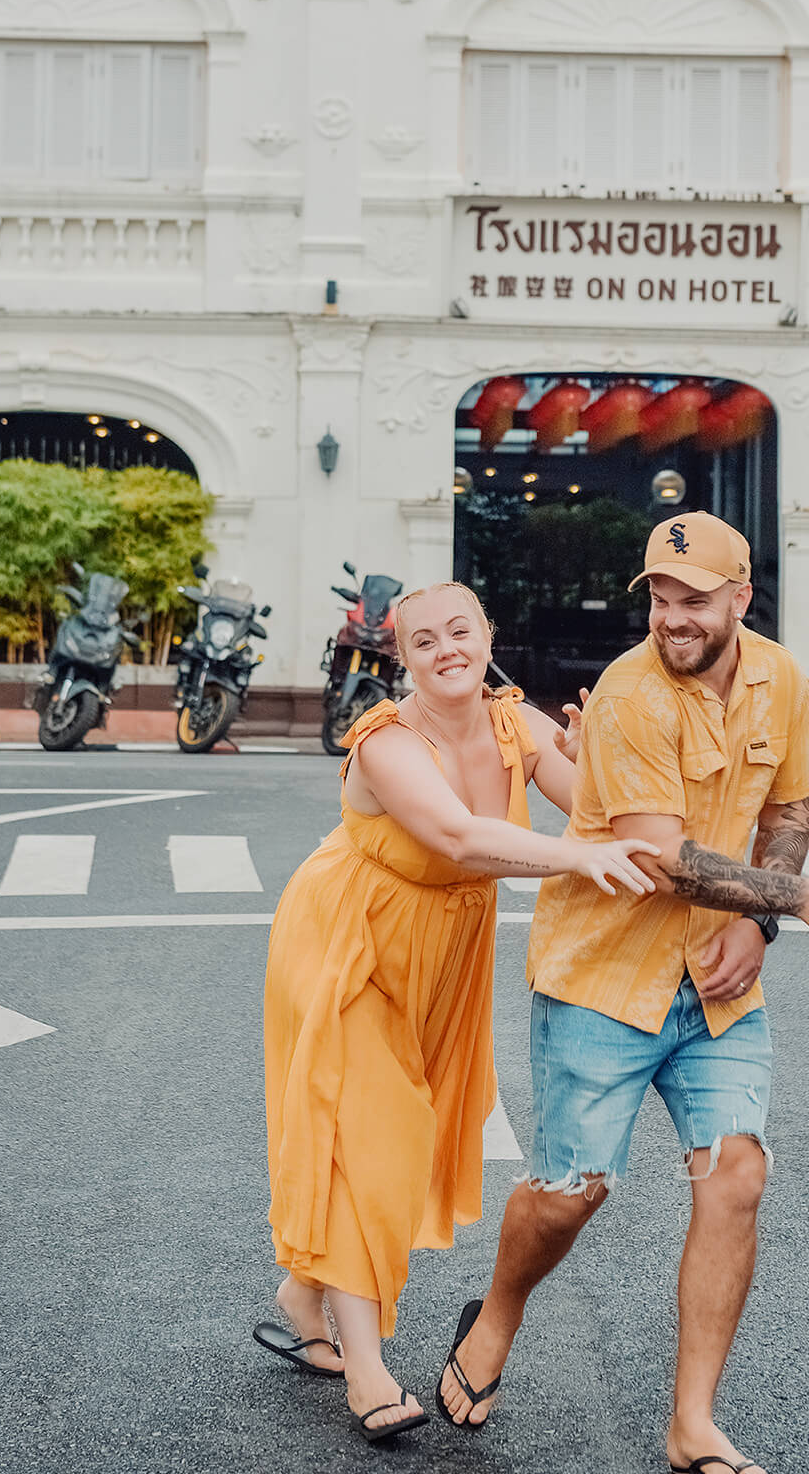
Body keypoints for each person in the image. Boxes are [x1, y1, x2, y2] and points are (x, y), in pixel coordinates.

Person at [438, 512, 809, 1474]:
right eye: (661, 599)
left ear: (740, 599)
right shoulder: (635, 694)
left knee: (737, 1174)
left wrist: (757, 923)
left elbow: (791, 807)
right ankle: (501, 1309)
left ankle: (693, 1425)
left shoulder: (781, 677)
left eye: (694, 601)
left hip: (715, 987)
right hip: (603, 975)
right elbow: (665, 861)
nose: (673, 619)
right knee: (571, 1195)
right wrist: (800, 902)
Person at [256, 581, 658, 1444]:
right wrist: (578, 858)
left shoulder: (517, 724)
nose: (446, 649)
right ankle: (367, 1370)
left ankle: (304, 1293)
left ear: (486, 635)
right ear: (402, 657)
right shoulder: (385, 743)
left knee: (407, 1129)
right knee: (370, 1136)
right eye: (424, 639)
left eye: (460, 631)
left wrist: (594, 761)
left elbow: (598, 808)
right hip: (349, 938)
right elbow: (459, 838)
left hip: (445, 953)